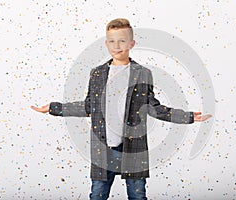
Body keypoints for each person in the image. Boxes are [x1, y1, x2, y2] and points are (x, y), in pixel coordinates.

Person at [31, 18, 212, 200]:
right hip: (103, 149)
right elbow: (88, 107)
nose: (116, 46)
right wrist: (54, 108)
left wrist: (187, 117)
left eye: (122, 41)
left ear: (132, 43)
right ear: (106, 43)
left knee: (137, 195)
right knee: (97, 195)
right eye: (112, 41)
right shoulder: (97, 73)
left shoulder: (142, 73)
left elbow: (153, 107)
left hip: (133, 149)